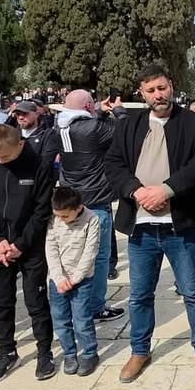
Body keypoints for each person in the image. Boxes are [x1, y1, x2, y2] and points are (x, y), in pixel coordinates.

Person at [106, 66, 195, 384]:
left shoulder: (193, 124)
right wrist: (138, 191)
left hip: (178, 226)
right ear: (142, 93)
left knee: (194, 292)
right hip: (141, 226)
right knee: (140, 294)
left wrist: (166, 190)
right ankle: (139, 350)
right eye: (151, 90)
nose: (158, 95)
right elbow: (113, 164)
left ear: (172, 86)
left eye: (162, 88)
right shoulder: (128, 126)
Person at [0, 125, 56, 383]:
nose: (1, 162)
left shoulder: (40, 165)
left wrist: (20, 244)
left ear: (20, 144)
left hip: (29, 244)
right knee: (1, 302)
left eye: (6, 157)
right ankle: (7, 351)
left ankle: (44, 353)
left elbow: (42, 210)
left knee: (36, 300)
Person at [48, 90, 124, 321]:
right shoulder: (94, 128)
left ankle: (74, 304)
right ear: (89, 106)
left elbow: (86, 127)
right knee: (99, 257)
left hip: (70, 198)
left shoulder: (58, 127)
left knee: (71, 255)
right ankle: (95, 306)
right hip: (95, 200)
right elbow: (125, 130)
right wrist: (118, 110)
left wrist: (98, 111)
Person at [45, 186, 102, 376]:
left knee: (82, 319)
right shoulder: (54, 220)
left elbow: (90, 252)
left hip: (82, 279)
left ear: (78, 208)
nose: (61, 220)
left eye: (65, 217)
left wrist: (75, 278)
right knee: (60, 319)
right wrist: (59, 278)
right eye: (58, 216)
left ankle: (89, 353)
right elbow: (50, 249)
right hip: (57, 280)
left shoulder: (92, 219)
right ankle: (69, 354)